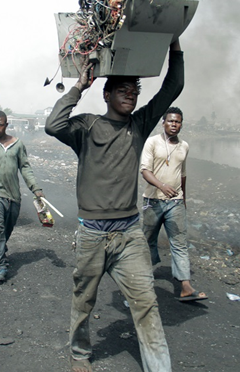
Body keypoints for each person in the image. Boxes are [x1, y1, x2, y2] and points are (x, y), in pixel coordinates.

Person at [45, 39, 184, 372]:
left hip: (128, 235)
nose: (130, 95)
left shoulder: (138, 126)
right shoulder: (87, 126)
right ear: (106, 94)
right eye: (122, 90)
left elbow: (173, 86)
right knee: (84, 301)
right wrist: (79, 86)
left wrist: (174, 42)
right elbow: (53, 125)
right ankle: (79, 355)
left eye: (134, 91)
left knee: (146, 303)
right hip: (92, 235)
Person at [140, 107, 207, 302]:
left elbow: (183, 174)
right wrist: (161, 185)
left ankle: (185, 286)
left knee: (179, 244)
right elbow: (145, 170)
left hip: (175, 203)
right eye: (170, 121)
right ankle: (144, 277)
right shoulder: (152, 142)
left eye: (177, 122)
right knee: (148, 239)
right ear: (163, 122)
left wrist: (183, 199)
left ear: (181, 124)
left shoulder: (184, 146)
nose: (174, 125)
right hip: (153, 201)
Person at [0, 110, 44, 284]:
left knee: (7, 228)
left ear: (6, 125)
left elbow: (25, 168)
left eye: (1, 124)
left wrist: (36, 189)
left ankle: (0, 247)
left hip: (13, 196)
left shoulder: (17, 145)